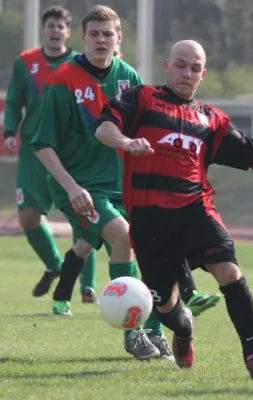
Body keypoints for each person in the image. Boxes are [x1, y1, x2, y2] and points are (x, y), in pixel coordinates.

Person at [94, 39, 253, 377]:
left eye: (195, 68)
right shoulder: (141, 99)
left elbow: (252, 153)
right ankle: (184, 328)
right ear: (167, 65)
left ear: (203, 74)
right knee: (166, 305)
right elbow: (104, 127)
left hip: (195, 210)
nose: (188, 73)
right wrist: (127, 141)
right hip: (149, 223)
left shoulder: (210, 119)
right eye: (182, 65)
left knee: (229, 271)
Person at [30, 4, 176, 362]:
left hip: (124, 186)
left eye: (107, 34)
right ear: (84, 38)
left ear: (118, 39)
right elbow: (41, 143)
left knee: (151, 250)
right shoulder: (63, 78)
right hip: (79, 187)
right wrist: (70, 188)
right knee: (122, 236)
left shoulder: (129, 77)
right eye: (94, 34)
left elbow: (148, 129)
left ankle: (156, 333)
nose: (100, 40)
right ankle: (134, 334)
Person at [3, 5, 97, 303]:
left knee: (84, 216)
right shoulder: (25, 62)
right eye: (51, 26)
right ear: (44, 30)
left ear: (68, 32)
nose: (56, 31)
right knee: (29, 217)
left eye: (61, 27)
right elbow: (15, 100)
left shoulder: (79, 64)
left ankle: (87, 286)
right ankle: (56, 265)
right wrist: (8, 133)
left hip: (70, 149)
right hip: (33, 147)